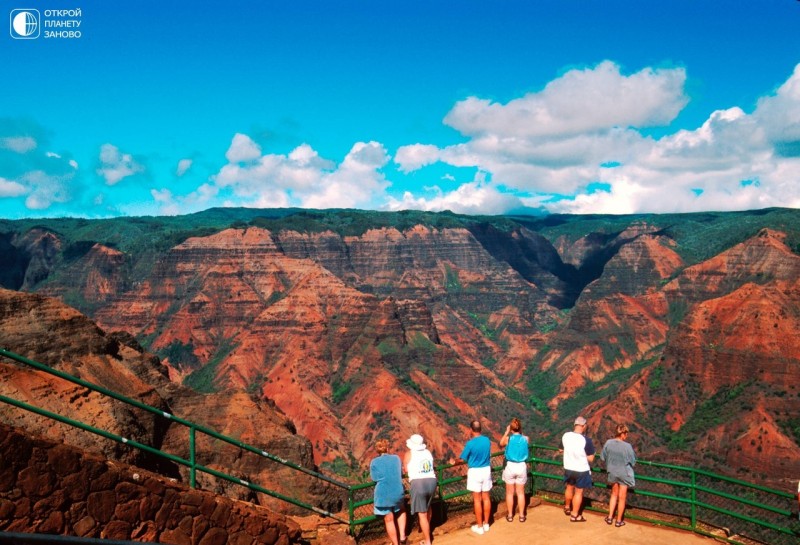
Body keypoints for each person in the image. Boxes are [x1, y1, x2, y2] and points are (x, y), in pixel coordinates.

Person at [450, 419, 492, 535]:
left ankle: (479, 527)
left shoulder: (470, 444)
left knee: (477, 500)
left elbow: (462, 459)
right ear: (481, 429)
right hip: (486, 470)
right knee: (486, 498)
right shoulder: (487, 440)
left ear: (471, 430)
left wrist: (454, 461)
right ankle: (486, 523)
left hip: (475, 472)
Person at [370, 439, 408, 545]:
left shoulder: (374, 462)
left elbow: (374, 478)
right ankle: (403, 537)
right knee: (401, 509)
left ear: (377, 450)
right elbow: (399, 473)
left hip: (383, 494)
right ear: (387, 448)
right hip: (397, 490)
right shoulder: (396, 458)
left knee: (389, 518)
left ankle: (396, 544)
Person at [600, 424, 636, 527]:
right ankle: (619, 521)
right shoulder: (627, 446)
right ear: (623, 434)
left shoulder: (608, 443)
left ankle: (610, 517)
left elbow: (603, 457)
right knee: (622, 497)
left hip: (612, 471)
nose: (627, 435)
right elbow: (633, 462)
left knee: (614, 494)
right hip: (624, 473)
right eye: (626, 433)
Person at [404, 434, 437, 545]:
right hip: (432, 481)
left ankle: (427, 540)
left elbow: (405, 469)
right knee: (428, 507)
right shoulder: (427, 452)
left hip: (418, 483)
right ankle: (427, 529)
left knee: (422, 514)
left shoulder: (409, 454)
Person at [561, 415, 595, 522]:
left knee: (569, 487)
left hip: (568, 467)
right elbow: (591, 458)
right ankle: (575, 515)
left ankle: (567, 507)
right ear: (584, 426)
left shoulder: (566, 436)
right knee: (579, 492)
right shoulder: (587, 440)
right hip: (581, 469)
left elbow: (560, 449)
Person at [500, 417, 529, 522]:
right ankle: (522, 515)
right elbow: (523, 439)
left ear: (511, 429)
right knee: (521, 493)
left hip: (510, 466)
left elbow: (501, 443)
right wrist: (520, 430)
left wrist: (506, 432)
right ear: (520, 428)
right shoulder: (526, 439)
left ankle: (510, 515)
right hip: (521, 466)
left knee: (509, 493)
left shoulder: (508, 439)